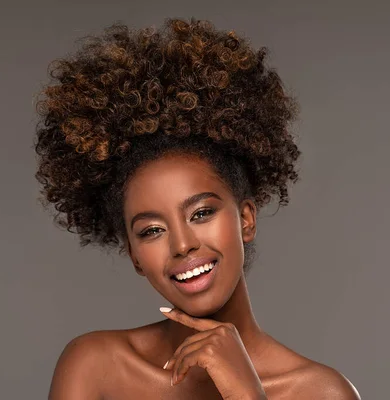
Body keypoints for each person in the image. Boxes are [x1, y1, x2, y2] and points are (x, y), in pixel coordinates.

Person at [34, 17, 360, 400]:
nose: (182, 245)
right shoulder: (96, 366)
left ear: (245, 219)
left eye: (201, 213)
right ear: (135, 256)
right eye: (151, 230)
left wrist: (246, 393)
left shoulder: (321, 392)